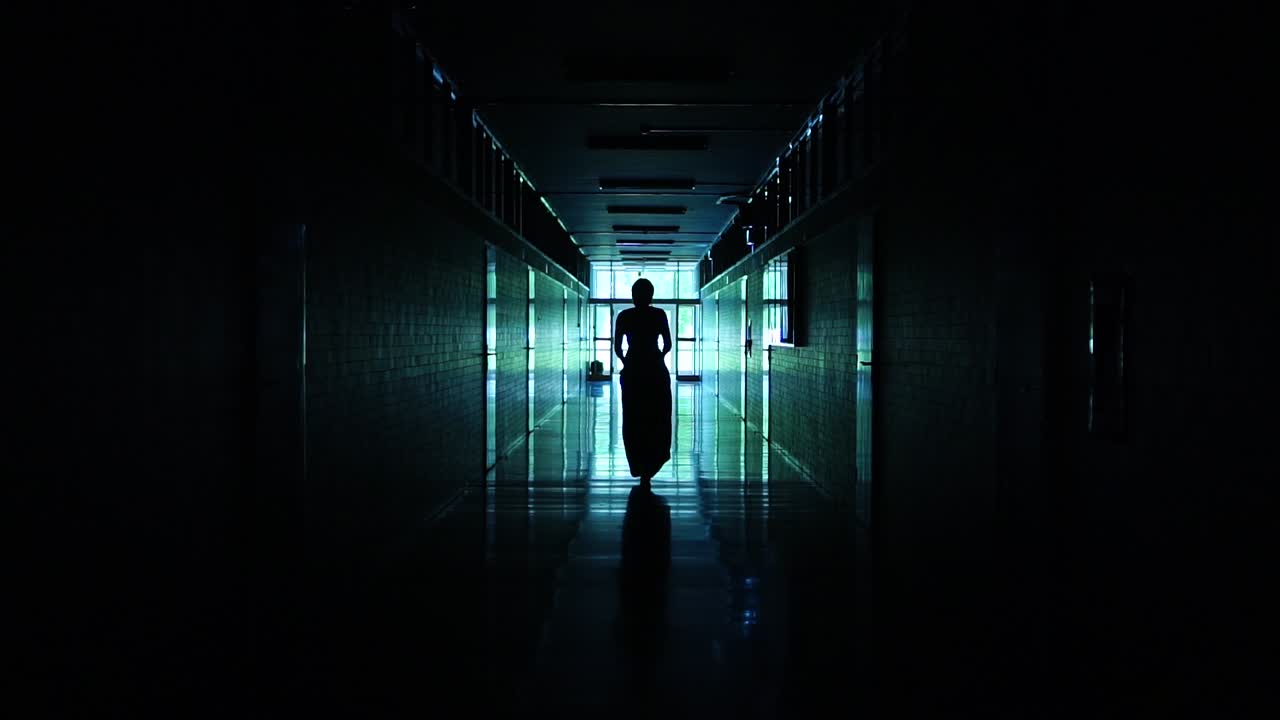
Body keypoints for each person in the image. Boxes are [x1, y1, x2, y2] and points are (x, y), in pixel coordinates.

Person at [614, 278, 673, 487]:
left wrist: (626, 361)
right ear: (651, 296)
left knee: (633, 417)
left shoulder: (625, 316)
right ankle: (651, 463)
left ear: (633, 295)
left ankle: (638, 463)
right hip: (655, 370)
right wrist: (658, 357)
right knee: (658, 416)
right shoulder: (659, 315)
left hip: (633, 370)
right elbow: (668, 344)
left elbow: (617, 347)